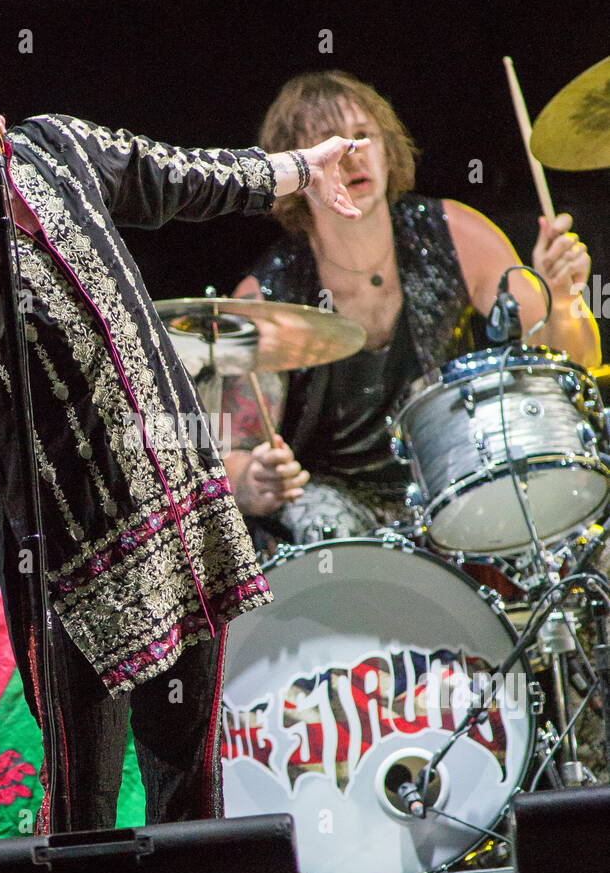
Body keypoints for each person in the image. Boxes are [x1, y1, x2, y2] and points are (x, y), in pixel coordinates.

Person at [0, 11, 369, 833]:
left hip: (168, 500)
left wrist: (297, 167)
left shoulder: (56, 147)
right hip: (66, 537)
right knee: (84, 806)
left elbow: (180, 174)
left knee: (189, 776)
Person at [221, 70, 601, 546]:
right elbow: (232, 454)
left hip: (453, 477)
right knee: (318, 520)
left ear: (387, 148)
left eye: (364, 136)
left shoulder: (456, 234)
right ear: (295, 170)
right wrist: (253, 481)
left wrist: (563, 299)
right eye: (332, 143)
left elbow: (574, 366)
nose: (354, 153)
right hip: (337, 502)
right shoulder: (266, 294)